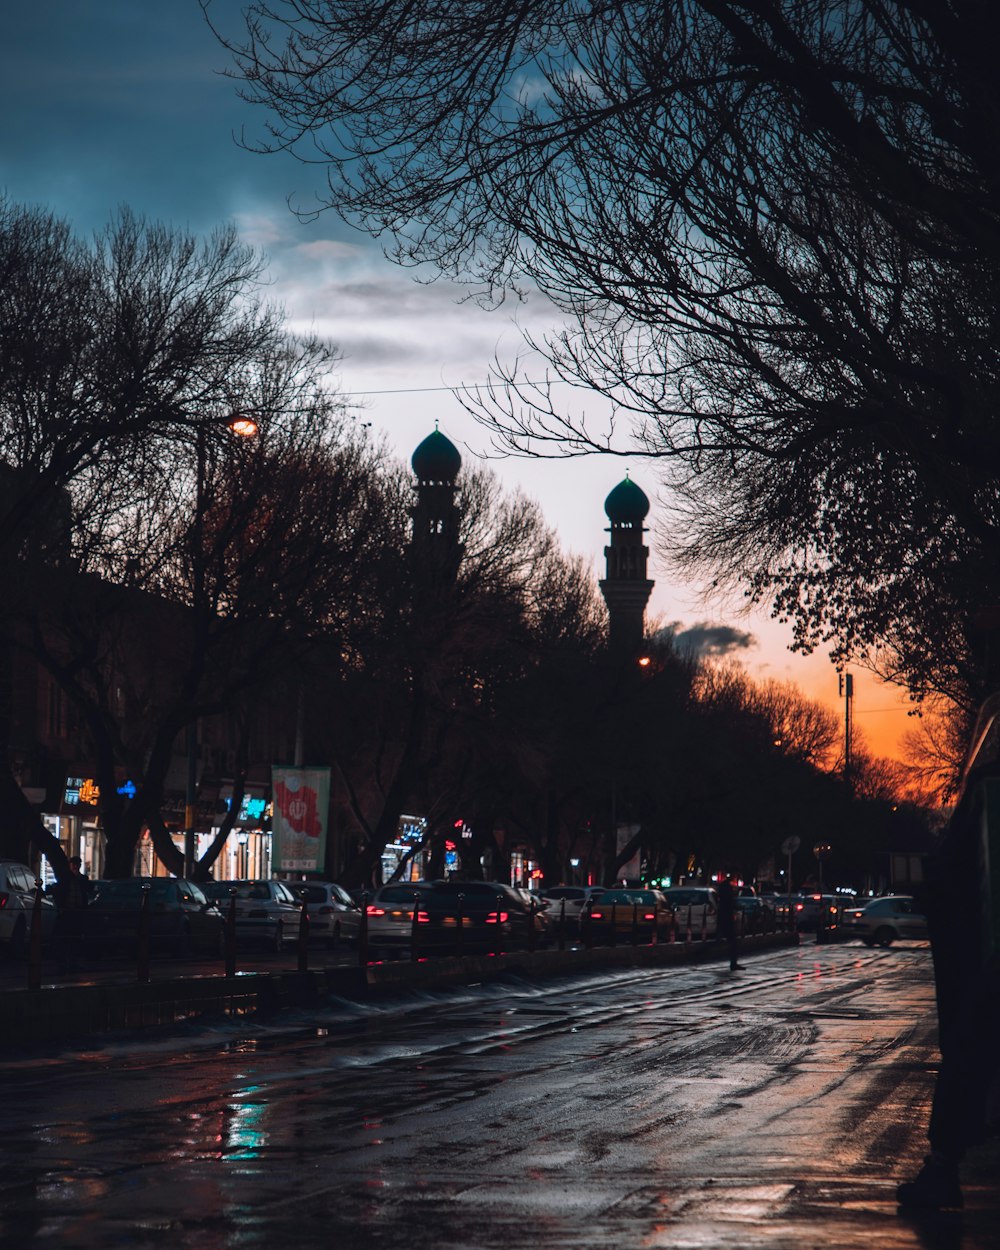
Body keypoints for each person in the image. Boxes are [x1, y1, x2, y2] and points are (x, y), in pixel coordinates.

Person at [896, 764, 1000, 1211]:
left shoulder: (985, 790)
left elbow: (954, 879)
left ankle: (942, 1168)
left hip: (990, 960)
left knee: (966, 1054)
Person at [52, 855, 92, 969]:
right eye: (73, 864)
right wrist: (61, 908)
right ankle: (65, 960)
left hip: (78, 912)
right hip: (68, 911)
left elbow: (87, 890)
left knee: (76, 937)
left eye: (77, 864)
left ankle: (73, 960)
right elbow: (59, 893)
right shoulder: (65, 878)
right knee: (66, 936)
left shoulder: (82, 879)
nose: (75, 866)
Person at [716, 873, 743, 971]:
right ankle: (733, 963)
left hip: (724, 917)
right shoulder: (727, 888)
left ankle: (733, 963)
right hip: (726, 917)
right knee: (732, 942)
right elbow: (729, 902)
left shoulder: (724, 886)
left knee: (729, 941)